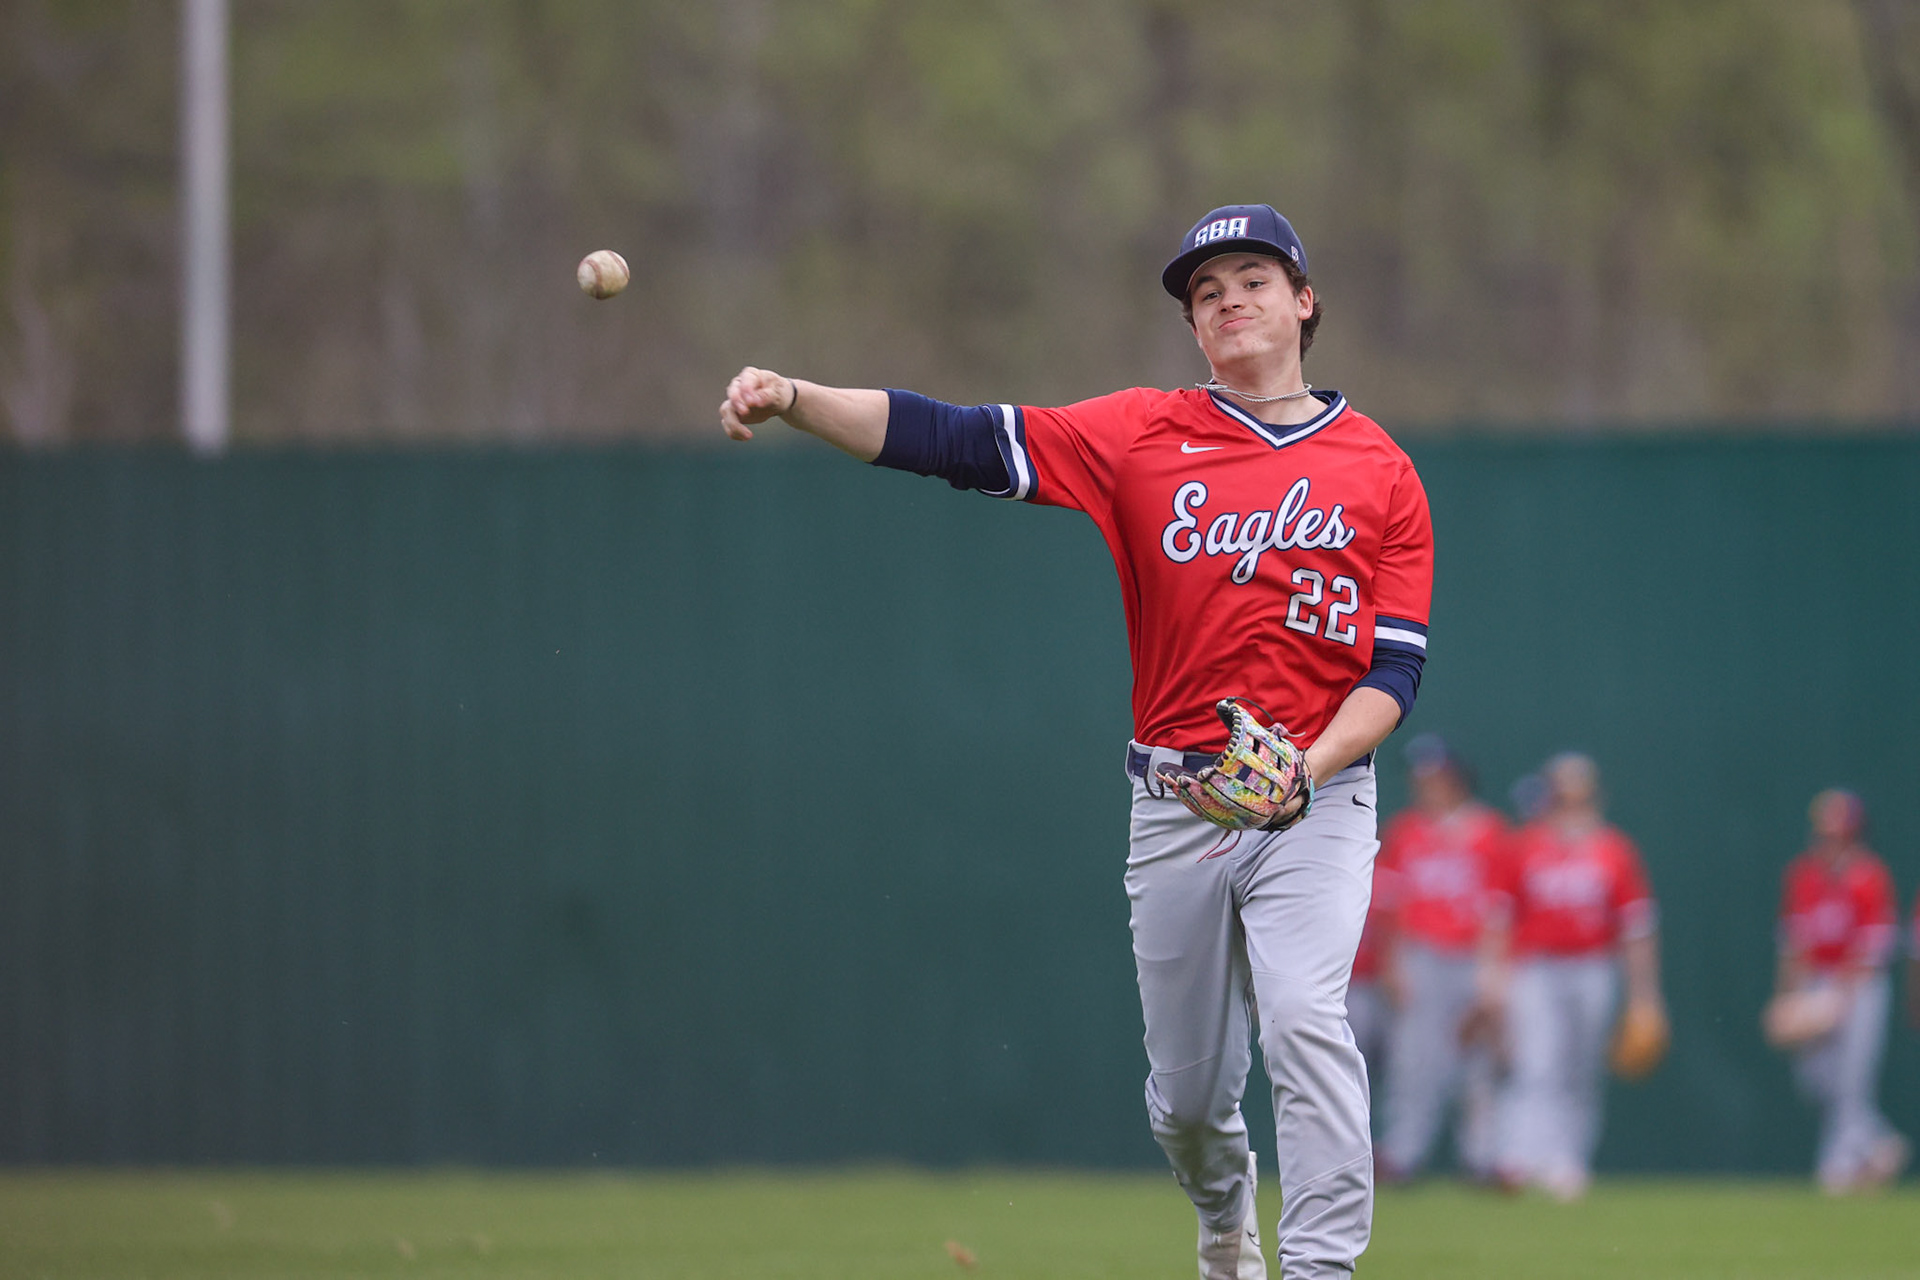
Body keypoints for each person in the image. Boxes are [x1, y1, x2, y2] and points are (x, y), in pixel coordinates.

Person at [718, 205, 1434, 1279]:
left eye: (1251, 277)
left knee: (1306, 1020)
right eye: (1206, 291)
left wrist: (1307, 768)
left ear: (1304, 300)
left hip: (1315, 800)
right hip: (1177, 800)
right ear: (1196, 327)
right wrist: (796, 398)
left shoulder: (1380, 467)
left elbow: (1394, 673)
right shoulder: (1142, 432)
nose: (1229, 298)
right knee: (1189, 1101)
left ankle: (1321, 1269)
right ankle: (1222, 1215)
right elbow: (952, 437)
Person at [1481, 752, 1662, 1201]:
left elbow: (1636, 929)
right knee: (1535, 1062)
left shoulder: (1614, 849)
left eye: (1578, 795)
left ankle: (1566, 1161)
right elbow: (1499, 920)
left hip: (1593, 966)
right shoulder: (1525, 845)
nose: (1570, 804)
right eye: (1562, 795)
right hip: (1536, 966)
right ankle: (1518, 1158)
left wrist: (1645, 996)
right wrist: (1492, 976)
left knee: (1578, 1068)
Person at [1374, 734, 1507, 1182]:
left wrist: (1493, 974)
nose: (1424, 784)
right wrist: (1392, 964)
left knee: (1479, 1063)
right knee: (1413, 1060)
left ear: (1455, 780)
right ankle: (1401, 1154)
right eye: (1420, 777)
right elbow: (1393, 907)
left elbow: (1498, 909)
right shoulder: (1405, 831)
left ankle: (1484, 1158)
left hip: (1472, 956)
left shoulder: (1488, 831)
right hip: (1421, 955)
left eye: (1433, 776)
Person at [1770, 788, 1909, 1193]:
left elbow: (1875, 948)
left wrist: (1837, 997)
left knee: (1852, 1079)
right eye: (1823, 832)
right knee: (1813, 1076)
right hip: (1818, 981)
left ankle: (1839, 1165)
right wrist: (1789, 997)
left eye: (1837, 833)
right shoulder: (1803, 874)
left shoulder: (1870, 875)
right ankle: (1877, 1141)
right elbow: (1793, 944)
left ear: (1854, 834)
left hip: (1860, 987)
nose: (1827, 841)